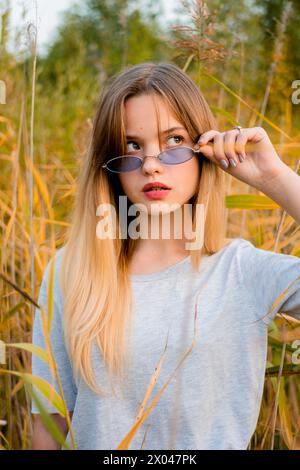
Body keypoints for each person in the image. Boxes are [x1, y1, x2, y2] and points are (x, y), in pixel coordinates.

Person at [31, 62, 300, 450]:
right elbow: (50, 424)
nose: (151, 164)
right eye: (132, 146)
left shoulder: (241, 271)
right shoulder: (70, 272)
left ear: (203, 148)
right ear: (111, 165)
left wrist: (273, 177)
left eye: (173, 140)